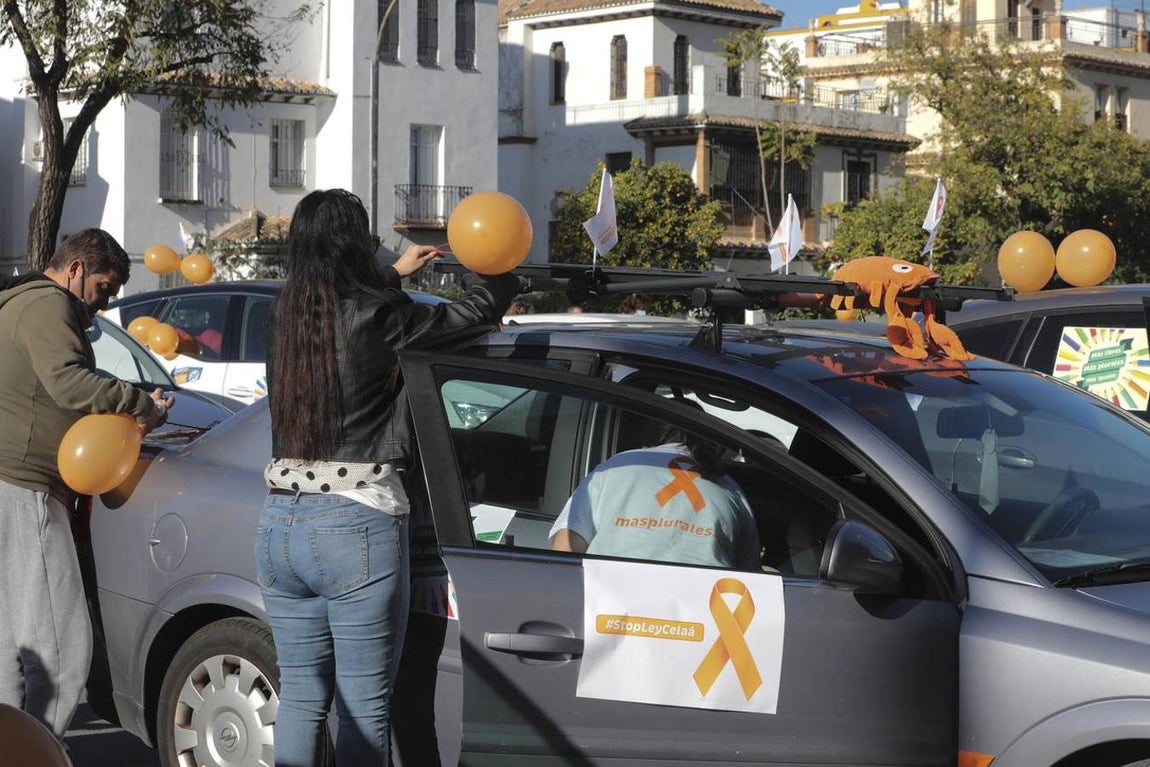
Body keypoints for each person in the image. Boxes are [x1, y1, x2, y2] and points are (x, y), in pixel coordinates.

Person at [257, 189, 519, 767]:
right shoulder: (376, 315)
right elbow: (462, 319)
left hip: (279, 522)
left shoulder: (286, 315)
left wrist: (392, 275)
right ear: (357, 244)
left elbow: (349, 308)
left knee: (300, 700)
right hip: (355, 519)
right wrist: (498, 276)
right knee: (364, 709)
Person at [0, 229, 172, 742]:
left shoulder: (15, 302)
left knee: (10, 648)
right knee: (62, 650)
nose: (105, 302)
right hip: (25, 488)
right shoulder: (48, 306)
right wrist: (141, 404)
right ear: (75, 270)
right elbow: (69, 383)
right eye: (104, 286)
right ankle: (37, 752)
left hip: (9, 483)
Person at [549, 425, 761, 570]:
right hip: (698, 619)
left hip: (609, 610)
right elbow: (748, 574)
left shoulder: (616, 467)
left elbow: (565, 550)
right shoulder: (728, 486)